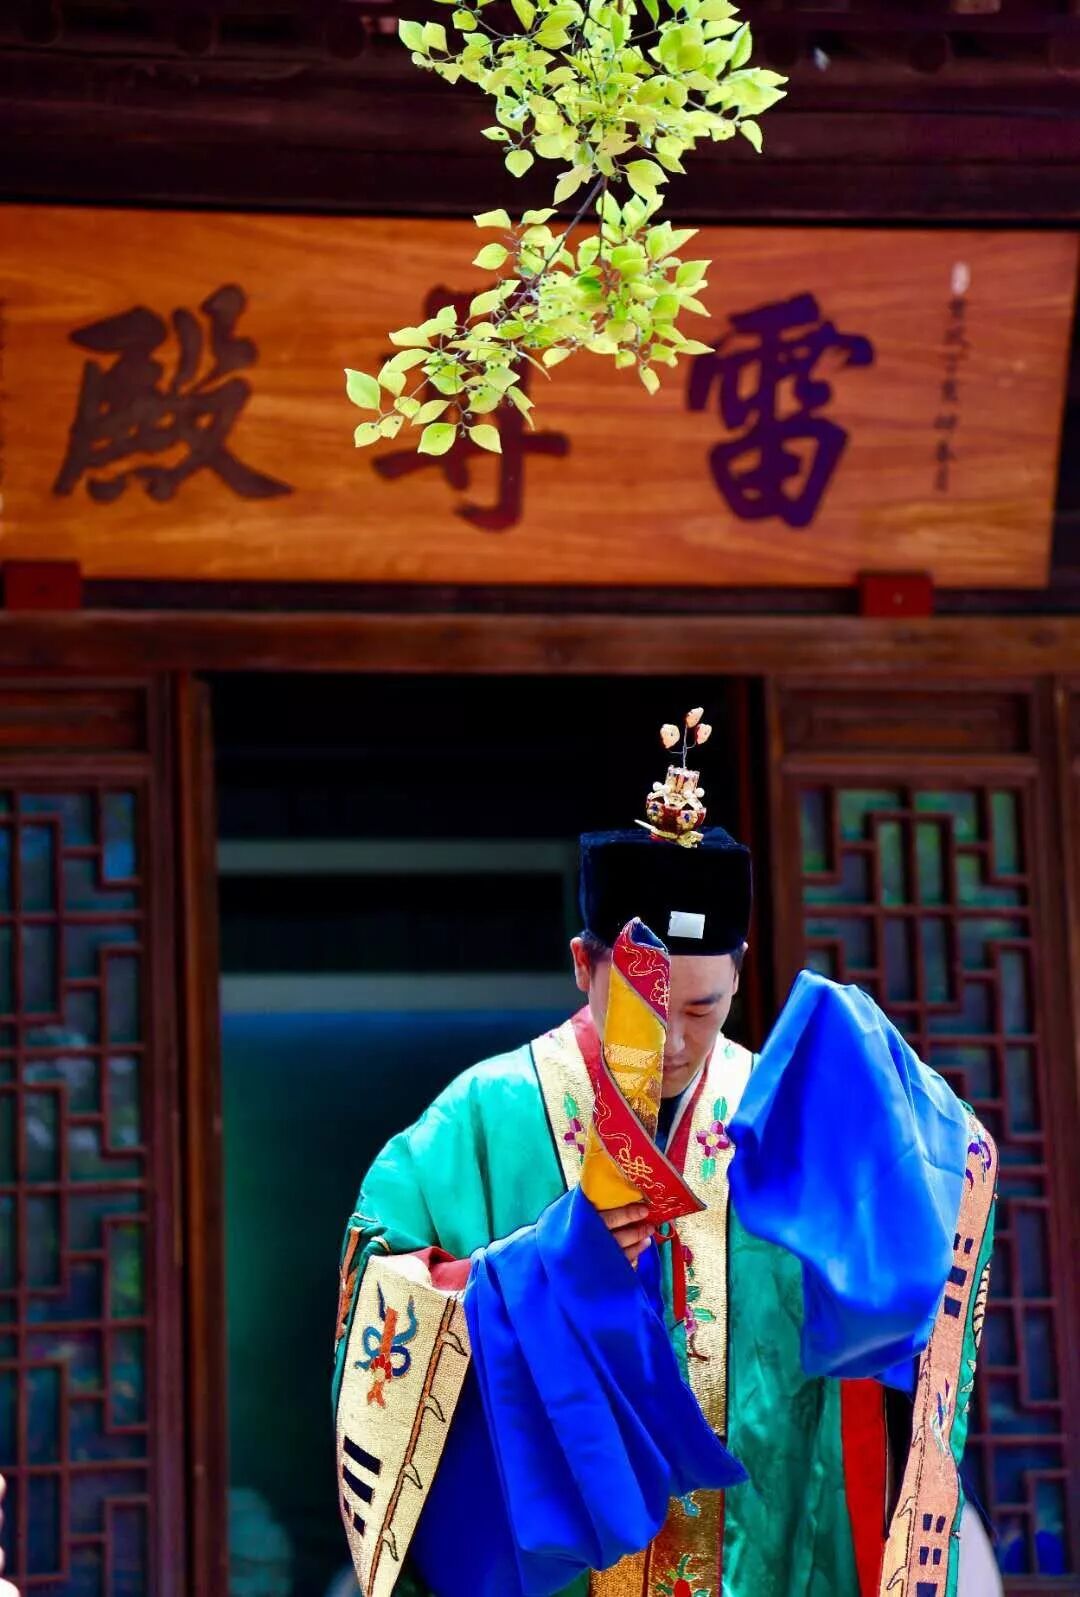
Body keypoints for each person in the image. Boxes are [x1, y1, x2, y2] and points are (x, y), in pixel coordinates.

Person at [332, 713, 999, 1597]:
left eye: (704, 1007)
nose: (677, 1041)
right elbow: (376, 1299)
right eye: (647, 1006)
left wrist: (907, 1150)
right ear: (584, 963)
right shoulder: (483, 1116)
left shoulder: (778, 1118)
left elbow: (889, 1317)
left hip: (751, 1561)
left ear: (740, 973)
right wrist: (541, 1266)